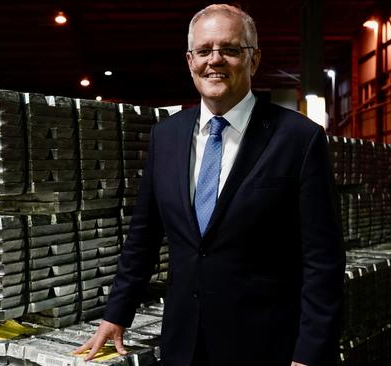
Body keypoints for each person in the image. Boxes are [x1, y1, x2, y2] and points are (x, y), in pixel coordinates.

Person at [75, 4, 345, 365]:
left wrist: (309, 354)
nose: (214, 60)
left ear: (254, 59)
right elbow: (143, 235)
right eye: (204, 51)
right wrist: (116, 314)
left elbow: (322, 260)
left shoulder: (298, 138)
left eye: (230, 49)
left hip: (266, 345)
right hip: (184, 343)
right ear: (190, 61)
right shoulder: (166, 137)